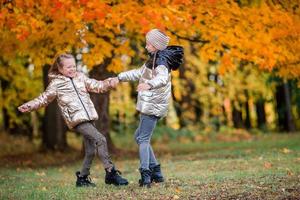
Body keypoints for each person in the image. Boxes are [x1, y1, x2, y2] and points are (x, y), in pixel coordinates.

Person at [18, 53, 128, 187]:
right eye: (69, 67)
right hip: (77, 120)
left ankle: (82, 178)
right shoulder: (56, 84)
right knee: (101, 139)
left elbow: (97, 85)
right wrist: (29, 105)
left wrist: (110, 82)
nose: (72, 69)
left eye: (74, 66)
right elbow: (44, 98)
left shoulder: (80, 77)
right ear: (60, 68)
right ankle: (110, 173)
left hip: (89, 117)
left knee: (90, 151)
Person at [110, 29, 184, 187]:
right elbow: (139, 73)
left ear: (156, 45)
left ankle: (146, 176)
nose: (145, 46)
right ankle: (156, 171)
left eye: (148, 43)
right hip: (152, 103)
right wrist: (119, 77)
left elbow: (162, 78)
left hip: (152, 105)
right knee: (139, 137)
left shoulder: (161, 62)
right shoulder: (155, 58)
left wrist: (149, 85)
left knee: (143, 139)